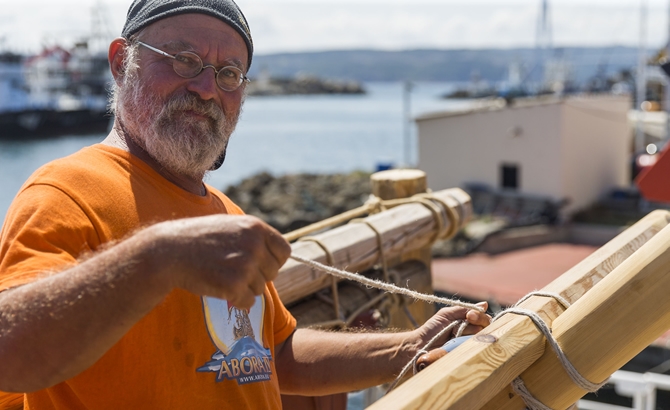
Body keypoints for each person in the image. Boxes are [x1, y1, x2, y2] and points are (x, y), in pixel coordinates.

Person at [0, 0, 490, 408]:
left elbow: (272, 354)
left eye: (229, 73)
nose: (206, 88)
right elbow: (10, 354)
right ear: (120, 60)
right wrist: (156, 259)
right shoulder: (66, 192)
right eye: (183, 60)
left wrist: (407, 346)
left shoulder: (223, 211)